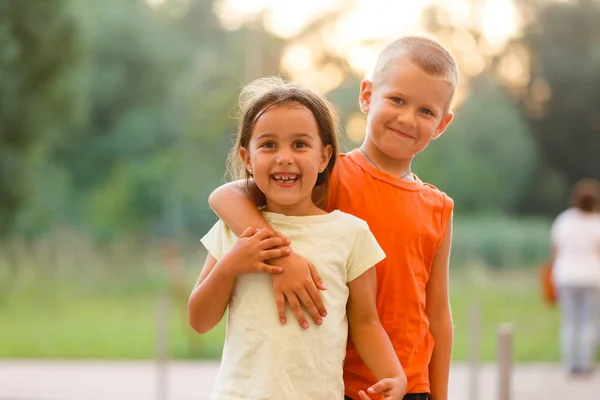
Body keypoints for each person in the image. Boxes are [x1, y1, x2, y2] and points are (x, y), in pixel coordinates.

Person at [209, 36, 458, 400]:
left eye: (426, 111)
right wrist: (282, 255)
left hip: (408, 383)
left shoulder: (439, 206)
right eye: (397, 100)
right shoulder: (328, 174)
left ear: (441, 124)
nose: (407, 118)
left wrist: (440, 394)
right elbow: (226, 196)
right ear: (367, 95)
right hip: (342, 381)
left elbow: (438, 315)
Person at [189, 76, 407, 399]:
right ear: (247, 159)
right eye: (268, 145)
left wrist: (394, 376)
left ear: (324, 157)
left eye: (300, 144)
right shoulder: (232, 229)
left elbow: (365, 323)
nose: (284, 157)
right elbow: (199, 320)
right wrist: (231, 265)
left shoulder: (350, 234)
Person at [551, 178, 600, 376]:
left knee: (569, 322)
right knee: (588, 323)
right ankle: (585, 363)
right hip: (591, 277)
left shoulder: (564, 220)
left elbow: (555, 250)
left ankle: (570, 364)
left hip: (566, 276)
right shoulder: (596, 223)